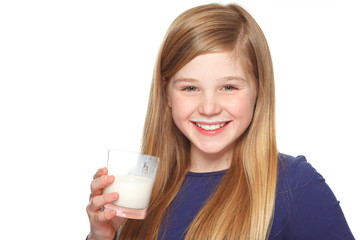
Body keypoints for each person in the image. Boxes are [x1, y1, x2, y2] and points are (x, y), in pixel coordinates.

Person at [86, 3, 355, 240]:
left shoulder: (295, 186)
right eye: (190, 88)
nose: (209, 107)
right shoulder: (142, 191)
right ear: (166, 93)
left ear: (259, 90)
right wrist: (101, 237)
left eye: (228, 87)